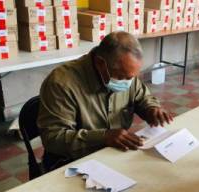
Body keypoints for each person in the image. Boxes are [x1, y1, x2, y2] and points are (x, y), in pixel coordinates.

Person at [38, 32, 173, 169]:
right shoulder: (61, 83)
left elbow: (143, 97)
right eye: (121, 77)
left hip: (113, 155)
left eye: (131, 77)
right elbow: (54, 138)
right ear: (100, 63)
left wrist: (152, 109)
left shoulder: (127, 73)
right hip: (72, 162)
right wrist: (103, 137)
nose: (127, 82)